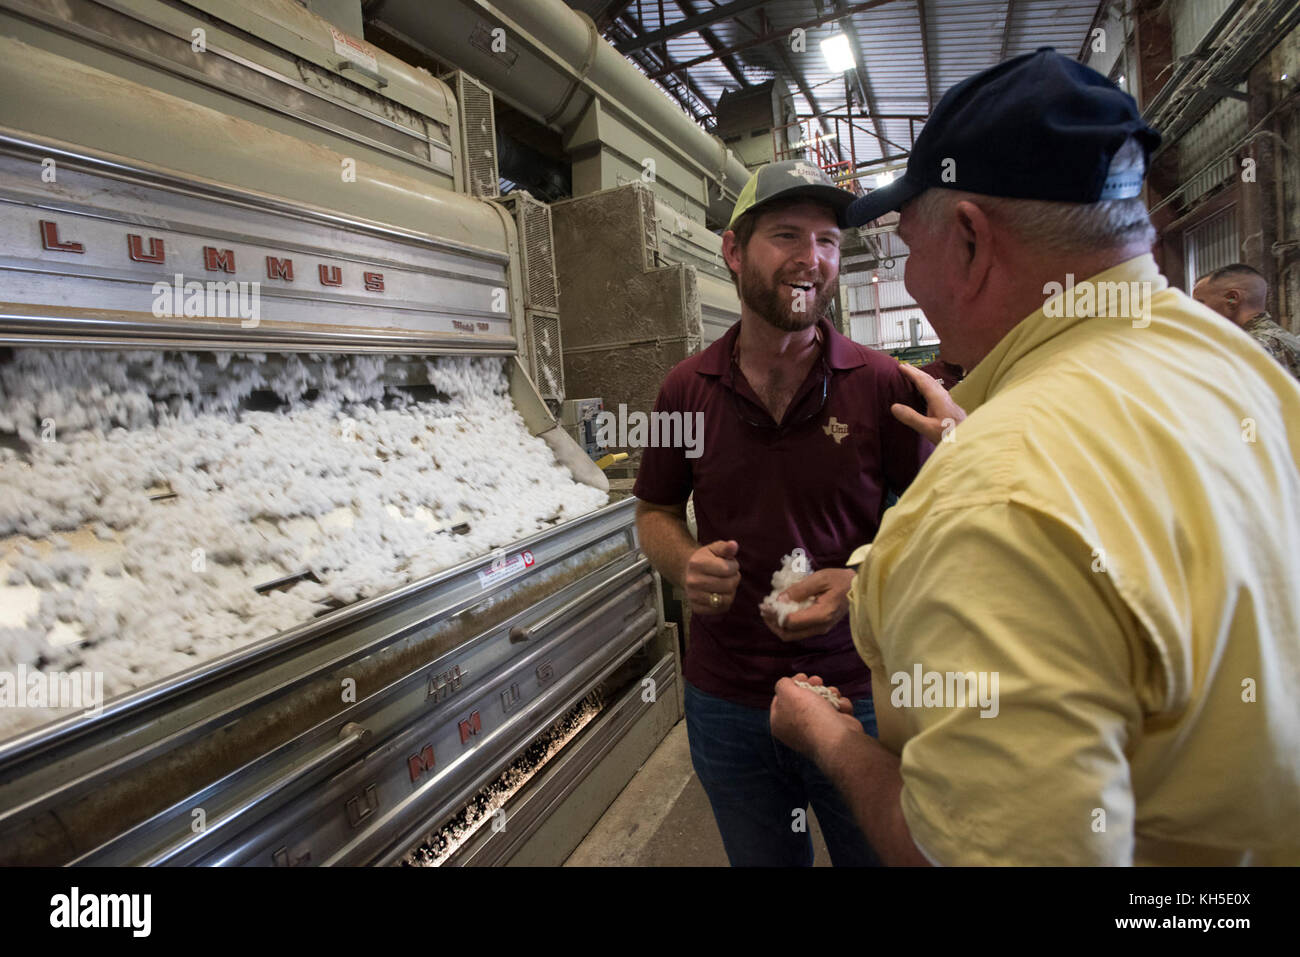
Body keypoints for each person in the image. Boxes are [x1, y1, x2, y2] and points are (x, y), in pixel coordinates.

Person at [769, 48, 1300, 865]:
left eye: (911, 246)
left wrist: (833, 740)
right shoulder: (1244, 373)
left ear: (974, 242)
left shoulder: (995, 497)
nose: (907, 278)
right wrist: (873, 575)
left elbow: (964, 851)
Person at [633, 160, 929, 866]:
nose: (812, 259)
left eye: (827, 240)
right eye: (787, 235)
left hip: (855, 694)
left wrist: (860, 582)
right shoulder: (686, 390)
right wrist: (684, 562)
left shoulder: (879, 382)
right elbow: (654, 508)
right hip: (729, 699)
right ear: (734, 251)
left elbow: (927, 527)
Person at [1193, 263, 1300, 380]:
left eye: (1200, 302)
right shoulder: (1281, 338)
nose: (1194, 310)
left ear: (1232, 298)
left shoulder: (1250, 349)